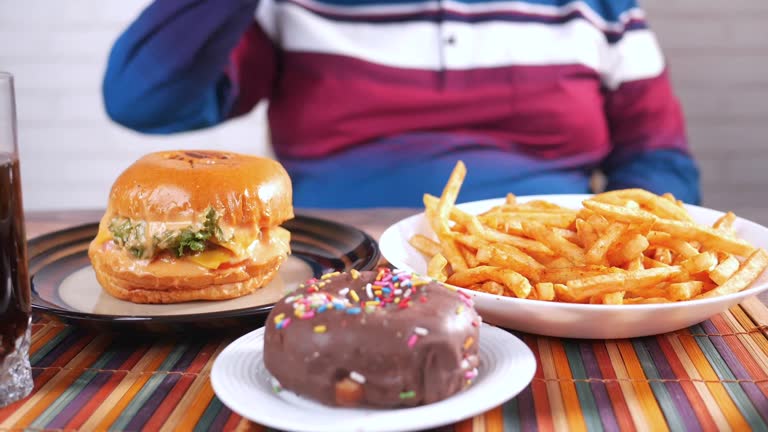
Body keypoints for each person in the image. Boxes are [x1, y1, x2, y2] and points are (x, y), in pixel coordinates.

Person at [103, 0, 700, 208]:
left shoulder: (599, 4)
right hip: (332, 270)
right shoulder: (290, 8)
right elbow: (142, 99)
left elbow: (657, 153)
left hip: (549, 288)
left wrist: (632, 267)